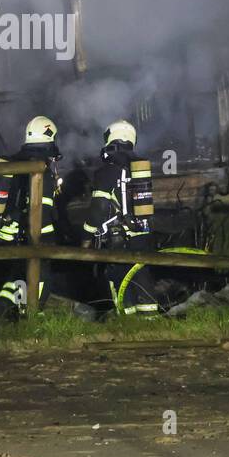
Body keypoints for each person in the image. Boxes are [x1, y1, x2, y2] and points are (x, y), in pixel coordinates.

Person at [0, 115, 61, 319]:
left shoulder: (16, 162)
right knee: (41, 276)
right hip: (32, 236)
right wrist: (46, 240)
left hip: (9, 233)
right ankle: (32, 317)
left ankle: (0, 310)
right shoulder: (40, 169)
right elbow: (41, 212)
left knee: (17, 275)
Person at [83, 119, 158, 317]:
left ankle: (127, 319)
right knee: (141, 275)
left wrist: (87, 234)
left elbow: (99, 208)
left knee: (118, 277)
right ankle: (150, 320)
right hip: (142, 233)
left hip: (118, 238)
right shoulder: (140, 166)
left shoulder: (106, 171)